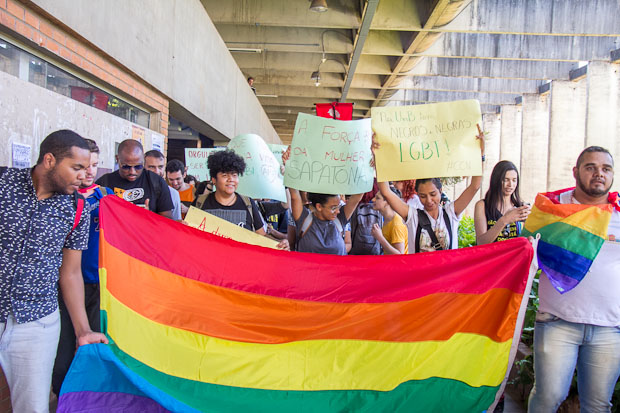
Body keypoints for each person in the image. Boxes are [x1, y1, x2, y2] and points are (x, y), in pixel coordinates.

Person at [0, 130, 108, 412]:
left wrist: (83, 331)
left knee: (32, 406)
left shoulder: (78, 209)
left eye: (87, 168)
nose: (84, 176)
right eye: (76, 168)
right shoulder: (3, 184)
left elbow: (70, 273)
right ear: (49, 160)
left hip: (37, 323)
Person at [528, 146, 620, 412]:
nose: (598, 174)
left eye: (606, 169)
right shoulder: (552, 208)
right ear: (576, 172)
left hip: (609, 327)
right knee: (548, 397)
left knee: (598, 405)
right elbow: (526, 255)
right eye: (590, 167)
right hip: (557, 321)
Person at [52, 138, 112, 395]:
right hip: (65, 283)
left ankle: (92, 395)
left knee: (96, 342)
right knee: (64, 347)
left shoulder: (107, 196)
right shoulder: (63, 197)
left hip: (100, 284)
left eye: (95, 166)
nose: (89, 171)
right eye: (85, 166)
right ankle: (65, 394)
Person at [376, 127, 485, 253]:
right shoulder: (413, 216)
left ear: (440, 190)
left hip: (448, 273)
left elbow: (475, 186)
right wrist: (379, 156)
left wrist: (480, 154)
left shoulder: (451, 213)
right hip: (420, 273)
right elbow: (386, 192)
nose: (428, 200)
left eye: (433, 194)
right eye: (422, 196)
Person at [194, 149, 289, 250]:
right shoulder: (200, 203)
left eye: (234, 175)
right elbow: (189, 234)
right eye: (225, 175)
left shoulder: (248, 204)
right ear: (214, 180)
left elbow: (261, 237)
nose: (231, 179)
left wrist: (280, 244)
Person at [96, 139, 173, 218]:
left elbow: (167, 221)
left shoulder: (157, 182)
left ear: (143, 159)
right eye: (126, 167)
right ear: (117, 159)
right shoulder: (104, 183)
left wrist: (148, 216)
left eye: (138, 166)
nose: (132, 172)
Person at [474, 160, 530, 245]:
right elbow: (481, 242)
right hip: (493, 257)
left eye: (514, 180)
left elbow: (528, 237)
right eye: (506, 180)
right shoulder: (482, 206)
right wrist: (504, 220)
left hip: (515, 257)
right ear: (496, 180)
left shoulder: (521, 207)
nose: (510, 184)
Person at [144, 149, 182, 220]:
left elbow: (176, 223)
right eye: (151, 167)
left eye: (160, 167)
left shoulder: (173, 193)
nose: (157, 171)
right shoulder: (137, 190)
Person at [371, 189, 408, 254]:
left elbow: (400, 255)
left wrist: (380, 238)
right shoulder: (387, 219)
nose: (373, 200)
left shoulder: (396, 224)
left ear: (388, 202)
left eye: (377, 198)